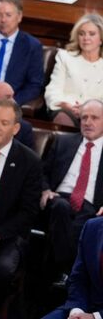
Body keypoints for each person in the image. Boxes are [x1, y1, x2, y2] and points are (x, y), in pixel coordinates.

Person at [0, 100, 43, 314]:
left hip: (5, 236)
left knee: (2, 269)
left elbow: (28, 212)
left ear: (15, 128)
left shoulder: (30, 161)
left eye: (4, 123)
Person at [41, 99, 103, 281]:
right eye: (84, 118)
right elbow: (41, 173)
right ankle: (70, 274)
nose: (88, 122)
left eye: (94, 118)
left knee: (86, 224)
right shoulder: (63, 142)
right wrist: (45, 190)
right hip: (59, 199)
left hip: (91, 207)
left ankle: (56, 272)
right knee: (61, 208)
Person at [45, 13, 103, 127]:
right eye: (82, 34)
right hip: (68, 110)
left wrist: (89, 110)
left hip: (98, 113)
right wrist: (67, 105)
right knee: (62, 118)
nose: (86, 38)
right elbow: (53, 90)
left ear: (101, 39)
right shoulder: (65, 57)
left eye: (92, 34)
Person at [41, 216, 103, 319]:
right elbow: (78, 278)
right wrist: (77, 310)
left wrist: (95, 317)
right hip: (85, 307)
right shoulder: (92, 226)